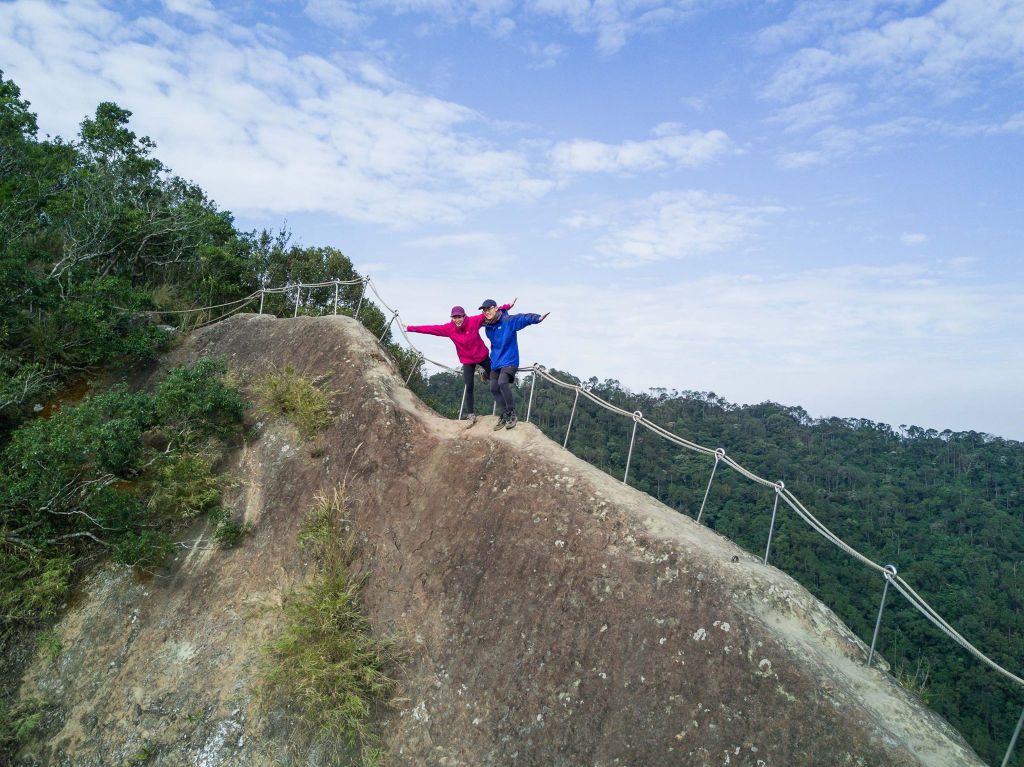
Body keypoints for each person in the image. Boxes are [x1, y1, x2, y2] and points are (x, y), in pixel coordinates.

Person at [404, 300, 513, 427]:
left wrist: (507, 306)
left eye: (459, 317)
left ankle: (506, 411)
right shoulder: (449, 329)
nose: (457, 320)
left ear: (464, 316)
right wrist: (409, 328)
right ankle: (471, 414)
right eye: (455, 317)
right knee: (469, 385)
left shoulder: (473, 321)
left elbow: (491, 312)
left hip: (482, 356)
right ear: (452, 318)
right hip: (467, 360)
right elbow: (431, 329)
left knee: (495, 379)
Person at [479, 299, 549, 430]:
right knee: (493, 387)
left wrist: (537, 318)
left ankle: (511, 414)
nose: (486, 312)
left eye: (488, 309)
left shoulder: (507, 321)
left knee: (502, 382)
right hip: (496, 361)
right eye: (484, 310)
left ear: (496, 308)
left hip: (510, 360)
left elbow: (522, 318)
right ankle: (504, 414)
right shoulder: (487, 327)